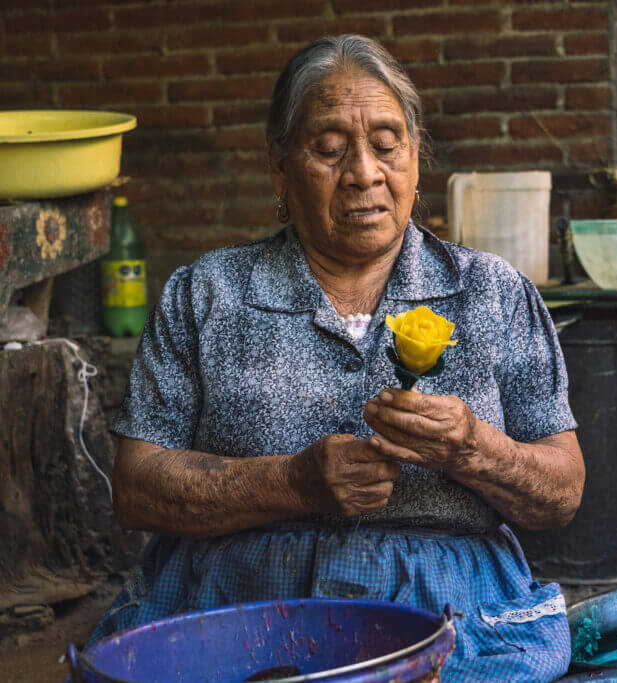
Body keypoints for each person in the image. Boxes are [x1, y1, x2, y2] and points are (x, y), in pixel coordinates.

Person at [90, 34, 585, 681]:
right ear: (280, 166)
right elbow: (136, 489)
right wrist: (291, 483)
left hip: (456, 623)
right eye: (329, 148)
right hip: (238, 614)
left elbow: (563, 490)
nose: (363, 173)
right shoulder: (207, 294)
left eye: (386, 144)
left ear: (415, 157)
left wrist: (471, 447)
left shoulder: (491, 291)